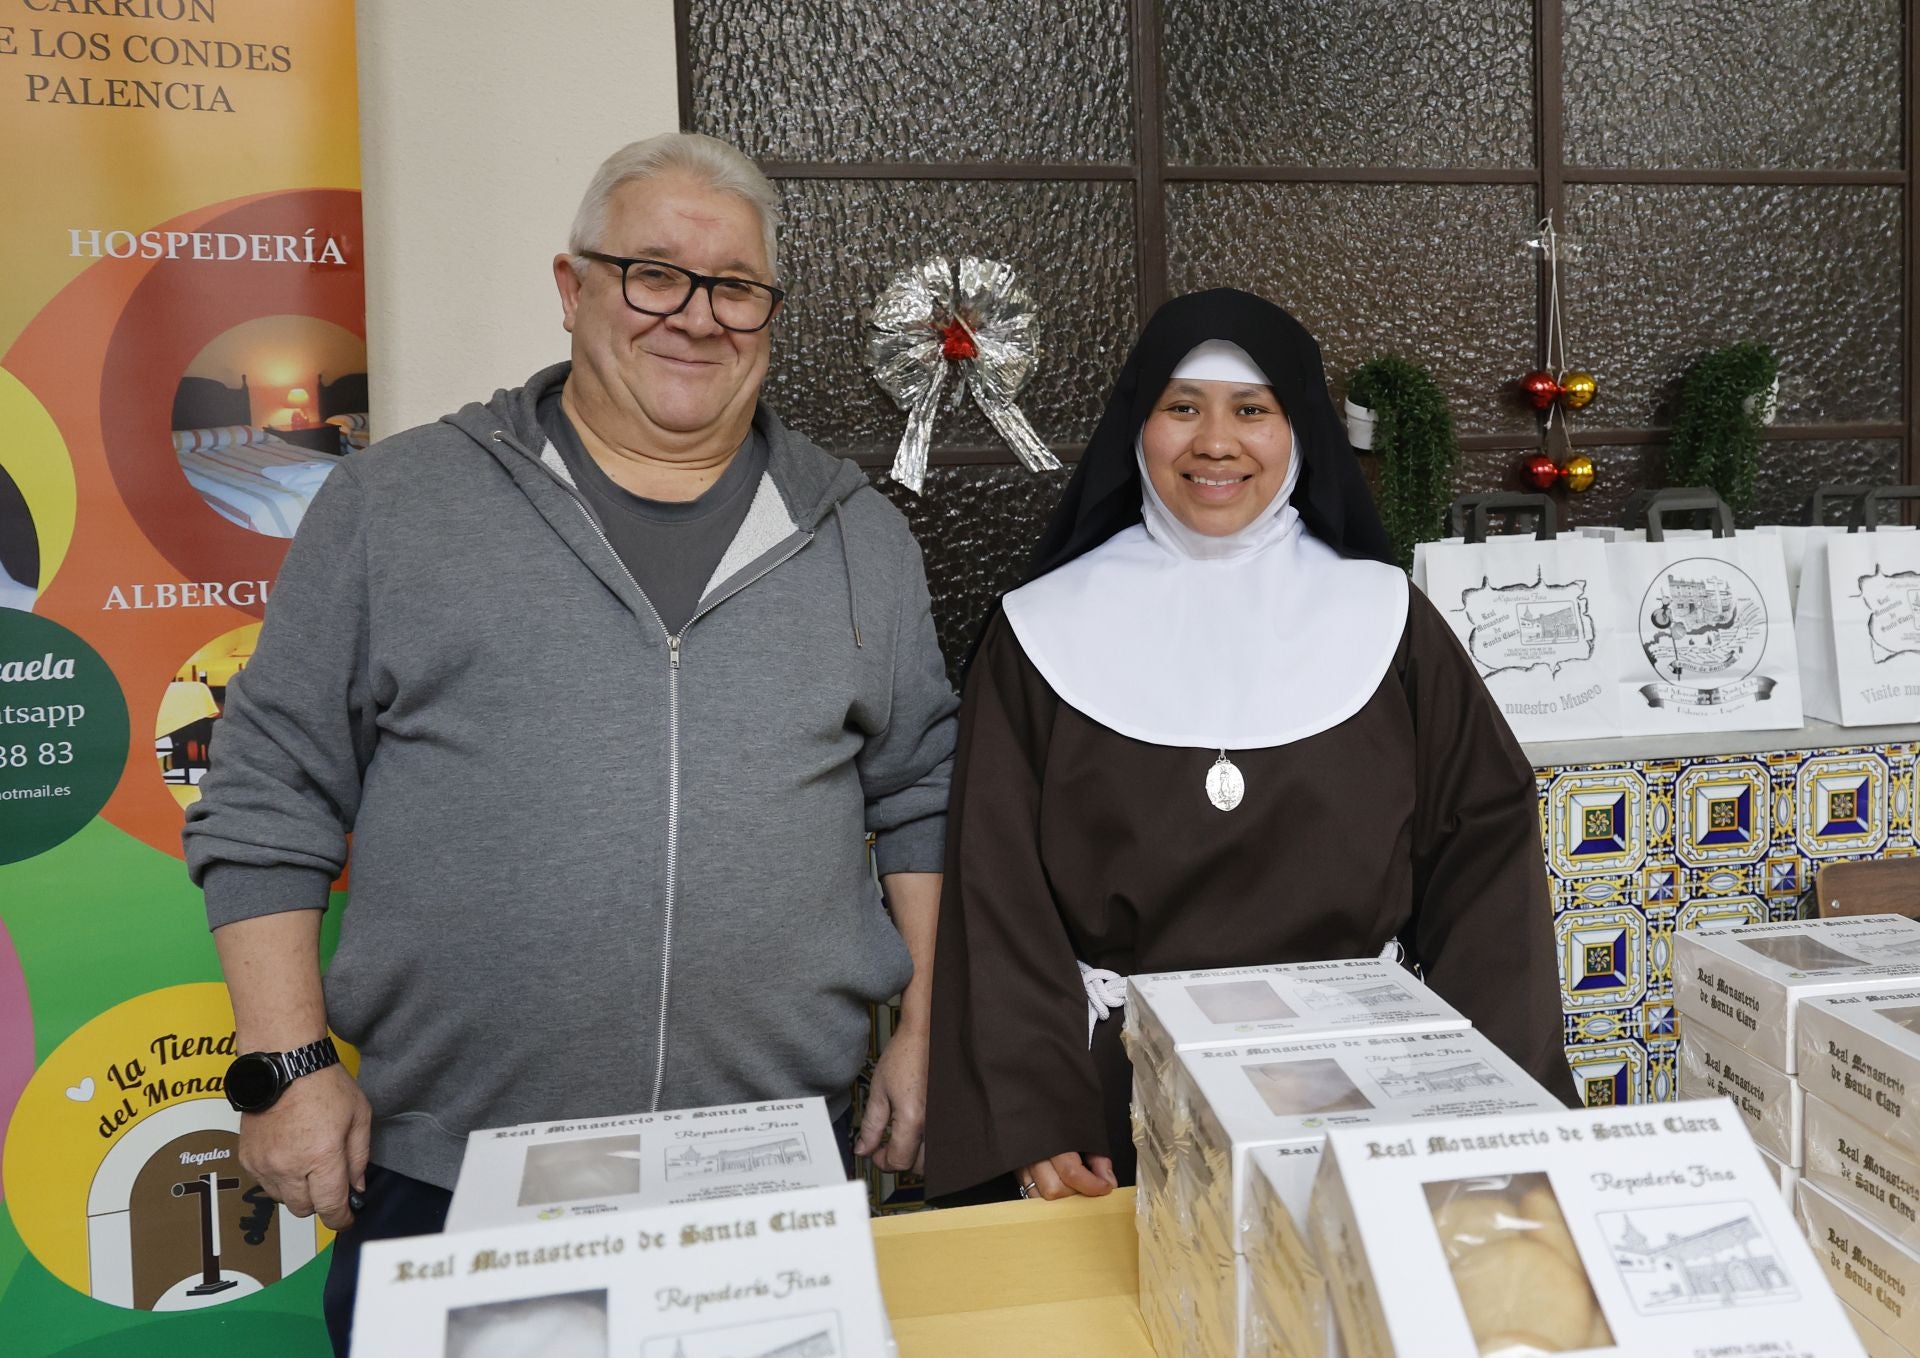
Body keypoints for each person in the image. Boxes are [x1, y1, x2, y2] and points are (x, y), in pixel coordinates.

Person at [183, 132, 956, 1352]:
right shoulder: (396, 504)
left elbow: (920, 793)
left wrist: (926, 1029)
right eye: (653, 272)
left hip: (767, 1165)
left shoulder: (858, 533)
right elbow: (268, 787)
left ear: (768, 309)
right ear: (572, 285)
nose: (696, 317)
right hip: (453, 1164)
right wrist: (283, 1067)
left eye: (735, 286)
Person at [923, 288, 1577, 1203]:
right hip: (1119, 1107)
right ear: (1137, 430)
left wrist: (1490, 1103)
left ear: (1300, 429)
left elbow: (1490, 872)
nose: (1216, 443)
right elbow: (997, 899)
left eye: (1252, 410)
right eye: (1181, 407)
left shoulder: (1388, 622)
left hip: (1369, 1093)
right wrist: (1035, 1115)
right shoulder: (1037, 636)